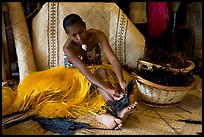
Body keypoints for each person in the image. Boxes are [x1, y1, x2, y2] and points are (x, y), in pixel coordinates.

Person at [62, 14, 137, 129]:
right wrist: (108, 89)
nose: (79, 38)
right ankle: (116, 108)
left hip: (99, 72)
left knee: (104, 74)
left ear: (85, 26)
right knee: (100, 73)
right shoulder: (68, 48)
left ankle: (112, 113)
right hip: (78, 77)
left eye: (81, 31)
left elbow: (112, 58)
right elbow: (85, 71)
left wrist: (121, 81)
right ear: (68, 35)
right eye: (74, 35)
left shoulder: (97, 35)